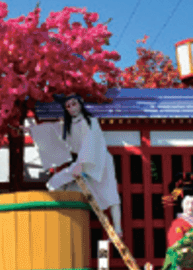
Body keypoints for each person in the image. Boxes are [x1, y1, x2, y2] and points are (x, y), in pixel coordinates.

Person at [29, 95, 123, 236]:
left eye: (74, 104)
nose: (72, 108)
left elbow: (90, 144)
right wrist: (31, 130)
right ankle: (64, 220)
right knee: (55, 183)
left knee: (110, 194)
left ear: (80, 103)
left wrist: (81, 164)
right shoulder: (67, 125)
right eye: (68, 106)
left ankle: (118, 228)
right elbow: (52, 130)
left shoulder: (91, 122)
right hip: (82, 163)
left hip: (100, 161)